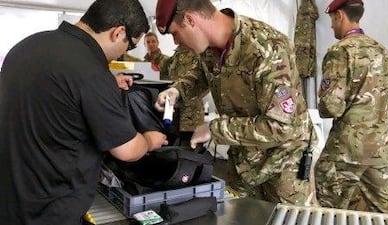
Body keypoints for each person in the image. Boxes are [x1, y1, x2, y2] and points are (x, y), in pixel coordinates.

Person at [0, 0, 168, 224]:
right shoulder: (92, 71)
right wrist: (149, 140)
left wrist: (107, 85)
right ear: (118, 33)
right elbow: (127, 150)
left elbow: (56, 91)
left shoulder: (28, 45)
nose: (123, 54)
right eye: (130, 46)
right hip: (50, 209)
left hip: (10, 196)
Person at [154, 0, 317, 205]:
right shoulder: (209, 48)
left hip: (283, 166)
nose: (176, 42)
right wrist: (176, 91)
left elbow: (281, 126)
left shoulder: (266, 47)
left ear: (189, 20)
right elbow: (201, 75)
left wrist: (214, 129)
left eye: (174, 33)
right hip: (244, 161)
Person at [315, 0, 388, 213]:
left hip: (347, 149)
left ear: (340, 16)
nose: (332, 26)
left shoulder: (340, 51)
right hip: (380, 146)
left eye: (332, 20)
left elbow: (330, 107)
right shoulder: (383, 52)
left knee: (329, 208)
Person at [163, 45, 206, 145]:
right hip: (175, 111)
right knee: (174, 151)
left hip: (191, 115)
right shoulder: (177, 53)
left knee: (190, 152)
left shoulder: (197, 51)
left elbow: (201, 81)